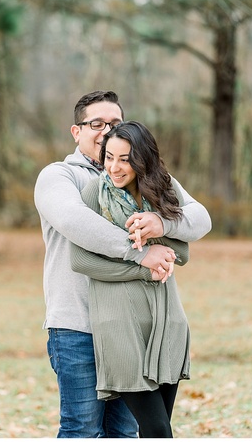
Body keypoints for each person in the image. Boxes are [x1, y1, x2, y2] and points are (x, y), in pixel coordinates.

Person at [34, 91, 212, 438]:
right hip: (78, 325)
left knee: (125, 432)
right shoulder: (59, 177)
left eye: (114, 123)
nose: (105, 130)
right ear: (77, 131)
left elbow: (199, 217)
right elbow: (76, 223)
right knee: (82, 428)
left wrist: (164, 224)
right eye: (95, 123)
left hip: (134, 327)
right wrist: (140, 254)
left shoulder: (147, 181)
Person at [68, 121, 199, 438]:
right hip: (118, 326)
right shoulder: (93, 195)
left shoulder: (162, 192)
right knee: (157, 429)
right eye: (109, 157)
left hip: (167, 322)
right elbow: (81, 260)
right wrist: (142, 265)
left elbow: (182, 252)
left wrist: (158, 227)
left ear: (142, 159)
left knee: (159, 428)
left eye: (124, 159)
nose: (114, 167)